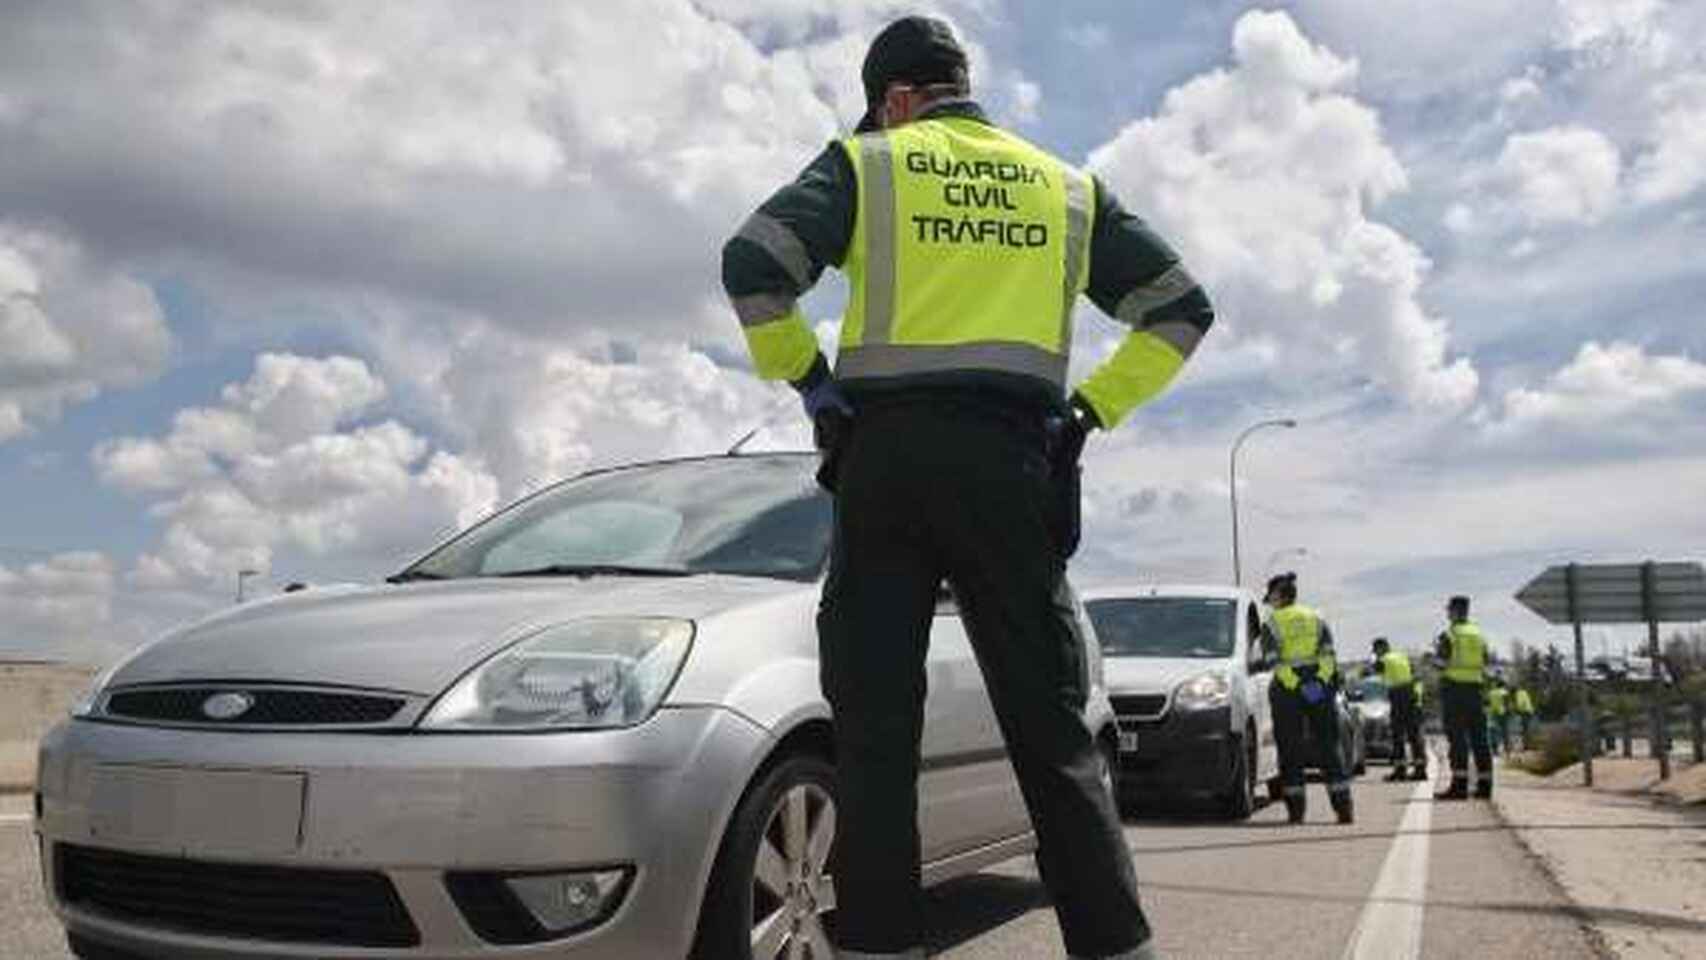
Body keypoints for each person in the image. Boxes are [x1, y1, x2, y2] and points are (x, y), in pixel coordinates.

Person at [721, 15, 1215, 960]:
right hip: (1015, 463)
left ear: (896, 101)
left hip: (887, 464)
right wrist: (1089, 411)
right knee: (1057, 736)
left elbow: (753, 264)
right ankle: (1118, 949)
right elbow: (1182, 309)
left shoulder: (870, 166)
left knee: (874, 740)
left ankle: (881, 949)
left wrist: (814, 386)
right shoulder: (1067, 189)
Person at [1260, 573, 1353, 824]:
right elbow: (1328, 657)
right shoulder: (1316, 618)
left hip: (1289, 689)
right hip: (1317, 686)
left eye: (1271, 598)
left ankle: (1296, 811)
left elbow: (1273, 662)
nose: (1270, 602)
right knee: (1329, 745)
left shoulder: (1272, 623)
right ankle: (1343, 808)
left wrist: (1295, 685)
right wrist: (1318, 683)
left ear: (1278, 596)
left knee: (1290, 748)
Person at [1434, 595, 1493, 800]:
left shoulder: (1450, 635)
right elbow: (1486, 661)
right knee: (1480, 739)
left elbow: (1441, 663)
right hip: (1476, 689)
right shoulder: (1478, 634)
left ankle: (1459, 787)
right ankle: (1485, 786)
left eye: (1449, 610)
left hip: (1455, 691)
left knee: (1458, 739)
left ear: (1456, 611)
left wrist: (1433, 660)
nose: (1447, 613)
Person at [1371, 637, 1427, 782]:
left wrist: (1375, 660)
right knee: (1414, 735)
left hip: (1398, 695)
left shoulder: (1383, 660)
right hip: (1411, 695)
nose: (1376, 654)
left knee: (1398, 736)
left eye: (1376, 651)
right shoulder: (1401, 656)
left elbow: (1376, 671)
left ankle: (1400, 770)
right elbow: (1413, 674)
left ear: (1380, 648)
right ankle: (1420, 770)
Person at [1485, 677, 1510, 756]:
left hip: (1492, 713)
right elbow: (1507, 703)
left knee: (1493, 731)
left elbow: (1487, 702)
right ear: (1503, 685)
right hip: (1502, 713)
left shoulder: (1491, 692)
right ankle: (1506, 748)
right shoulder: (1504, 692)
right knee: (1504, 731)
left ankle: (1494, 749)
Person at [1512, 684, 1536, 749]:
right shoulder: (1524, 692)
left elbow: (1520, 704)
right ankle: (1528, 744)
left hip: (1525, 712)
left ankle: (1526, 745)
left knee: (1525, 729)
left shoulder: (1518, 694)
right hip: (1529, 711)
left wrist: (1516, 710)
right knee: (1526, 728)